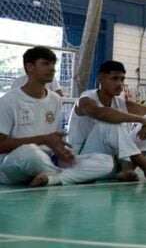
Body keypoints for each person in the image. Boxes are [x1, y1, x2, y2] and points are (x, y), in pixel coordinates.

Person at [0, 47, 114, 186]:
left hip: (49, 159)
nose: (53, 68)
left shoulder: (56, 99)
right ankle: (66, 176)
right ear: (30, 67)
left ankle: (52, 179)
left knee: (106, 161)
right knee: (30, 152)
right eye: (46, 63)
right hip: (13, 163)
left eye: (54, 64)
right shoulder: (9, 100)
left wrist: (62, 152)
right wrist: (43, 140)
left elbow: (55, 139)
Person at [67, 60, 146, 182]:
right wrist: (143, 120)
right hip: (85, 161)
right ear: (100, 79)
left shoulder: (120, 102)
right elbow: (103, 113)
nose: (120, 84)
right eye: (114, 79)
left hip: (112, 164)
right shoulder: (85, 100)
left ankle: (128, 170)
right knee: (109, 123)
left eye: (122, 79)